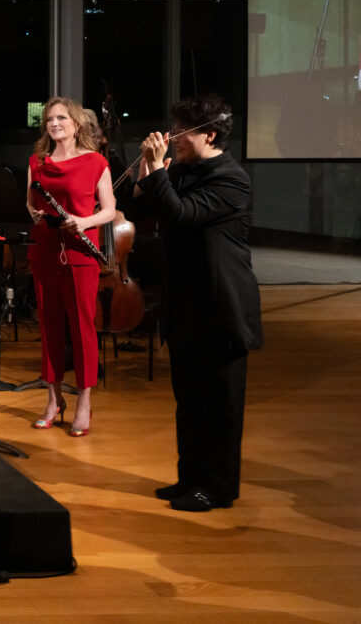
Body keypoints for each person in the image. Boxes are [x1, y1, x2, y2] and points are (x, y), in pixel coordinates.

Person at [131, 95, 263, 512]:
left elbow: (181, 215)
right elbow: (140, 208)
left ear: (210, 133)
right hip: (187, 301)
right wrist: (146, 170)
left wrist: (157, 171)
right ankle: (190, 478)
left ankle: (217, 488)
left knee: (219, 406)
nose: (173, 136)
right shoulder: (184, 170)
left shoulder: (231, 178)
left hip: (222, 305)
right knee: (189, 402)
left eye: (182, 129)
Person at [26, 97, 116, 437]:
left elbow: (109, 209)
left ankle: (83, 403)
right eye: (50, 119)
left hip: (80, 251)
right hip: (45, 250)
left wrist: (83, 220)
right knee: (49, 329)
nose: (55, 123)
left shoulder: (95, 162)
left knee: (82, 329)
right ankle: (53, 401)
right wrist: (34, 214)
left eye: (61, 118)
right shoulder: (36, 161)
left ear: (76, 124)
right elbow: (30, 202)